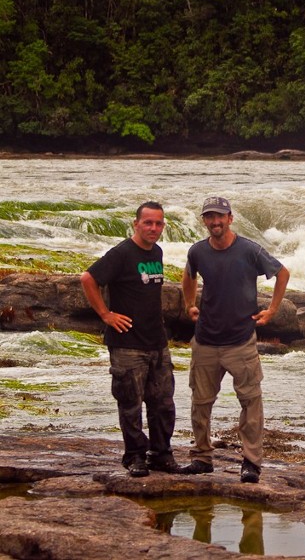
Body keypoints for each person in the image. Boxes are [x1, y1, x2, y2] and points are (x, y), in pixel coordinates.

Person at [180, 196, 289, 483]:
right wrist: (189, 302)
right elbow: (188, 275)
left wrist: (273, 310)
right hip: (205, 341)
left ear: (230, 218)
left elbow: (282, 273)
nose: (215, 222)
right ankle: (202, 458)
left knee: (250, 402)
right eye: (209, 217)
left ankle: (251, 463)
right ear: (204, 221)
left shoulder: (249, 250)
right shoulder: (197, 252)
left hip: (241, 341)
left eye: (220, 216)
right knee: (200, 403)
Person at [80, 201, 180, 477]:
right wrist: (105, 314)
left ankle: (161, 454)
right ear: (136, 223)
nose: (153, 228)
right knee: (130, 405)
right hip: (127, 344)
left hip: (157, 343)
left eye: (158, 223)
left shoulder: (157, 251)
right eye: (148, 222)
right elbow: (88, 278)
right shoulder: (122, 253)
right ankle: (134, 456)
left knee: (163, 403)